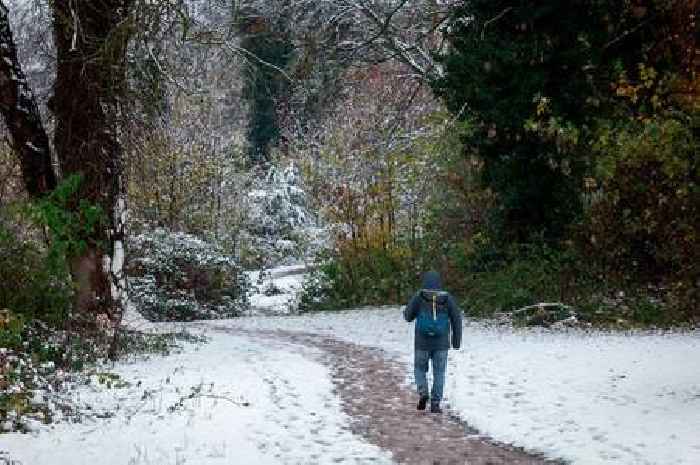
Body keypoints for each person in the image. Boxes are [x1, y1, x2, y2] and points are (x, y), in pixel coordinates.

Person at [403, 270, 462, 413]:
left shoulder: (419, 296)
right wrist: (456, 341)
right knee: (439, 373)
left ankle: (423, 393)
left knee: (419, 369)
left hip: (422, 343)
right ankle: (435, 404)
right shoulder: (447, 299)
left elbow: (408, 316)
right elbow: (456, 319)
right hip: (441, 344)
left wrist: (408, 311)